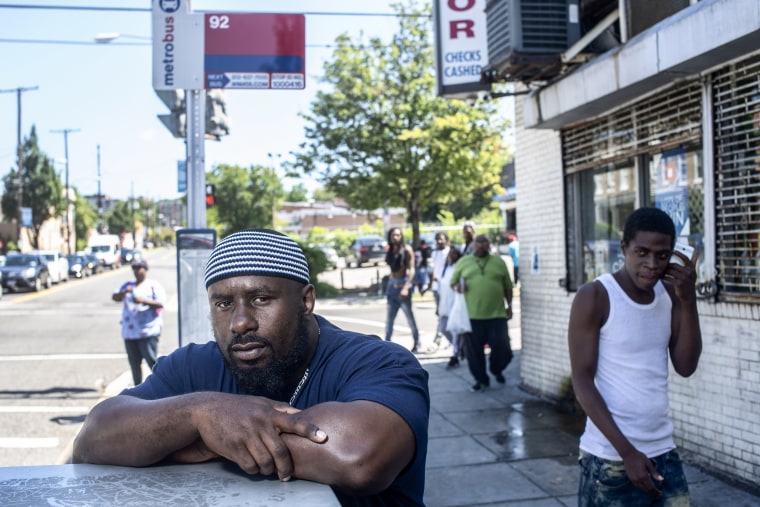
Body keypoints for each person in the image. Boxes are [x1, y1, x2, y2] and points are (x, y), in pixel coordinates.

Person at [74, 229, 430, 506]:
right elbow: (93, 440)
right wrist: (200, 414)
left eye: (261, 299)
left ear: (305, 300)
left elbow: (359, 457)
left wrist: (206, 441)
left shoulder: (377, 361)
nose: (241, 322)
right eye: (224, 304)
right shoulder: (195, 365)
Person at [567, 207, 702, 506]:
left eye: (662, 255)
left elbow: (686, 366)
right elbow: (582, 382)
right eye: (641, 252)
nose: (651, 264)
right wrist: (627, 453)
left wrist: (688, 300)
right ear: (624, 247)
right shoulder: (596, 296)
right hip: (610, 458)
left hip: (663, 451)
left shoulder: (671, 296)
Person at [449, 234, 513, 392]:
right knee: (474, 353)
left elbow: (508, 286)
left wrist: (509, 305)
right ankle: (481, 379)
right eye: (478, 243)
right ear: (473, 245)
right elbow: (453, 282)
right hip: (471, 316)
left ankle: (496, 369)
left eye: (485, 242)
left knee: (503, 347)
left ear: (489, 245)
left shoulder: (498, 262)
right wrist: (458, 287)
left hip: (497, 314)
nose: (481, 246)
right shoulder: (464, 262)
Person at [111, 258, 166, 386]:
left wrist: (142, 300)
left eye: (139, 268)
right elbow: (115, 297)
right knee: (134, 364)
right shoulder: (128, 286)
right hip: (130, 332)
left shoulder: (153, 285)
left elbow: (160, 303)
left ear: (145, 270)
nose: (136, 272)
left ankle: (160, 386)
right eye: (134, 269)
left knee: (152, 361)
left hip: (148, 331)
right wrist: (124, 292)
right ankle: (138, 389)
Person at [384, 226, 421, 353]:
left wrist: (406, 287)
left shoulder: (407, 249)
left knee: (409, 317)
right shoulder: (390, 251)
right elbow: (391, 271)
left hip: (403, 286)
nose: (395, 237)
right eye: (393, 235)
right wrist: (389, 285)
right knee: (389, 319)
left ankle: (417, 341)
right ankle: (386, 344)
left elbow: (411, 270)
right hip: (392, 286)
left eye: (398, 235)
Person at [436, 247, 464, 368]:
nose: (452, 256)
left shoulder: (460, 269)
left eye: (455, 254)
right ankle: (460, 347)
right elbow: (440, 289)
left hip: (455, 304)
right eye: (450, 254)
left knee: (455, 331)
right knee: (443, 328)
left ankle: (455, 355)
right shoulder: (444, 269)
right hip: (444, 304)